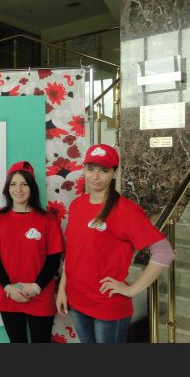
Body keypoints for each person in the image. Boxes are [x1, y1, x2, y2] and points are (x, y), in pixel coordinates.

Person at [56, 144, 175, 343]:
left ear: (114, 173)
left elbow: (164, 252)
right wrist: (62, 290)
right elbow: (73, 253)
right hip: (76, 301)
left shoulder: (125, 210)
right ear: (84, 169)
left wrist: (131, 289)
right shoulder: (77, 205)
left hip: (107, 306)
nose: (95, 176)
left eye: (103, 170)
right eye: (90, 169)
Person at [0, 161, 64, 343]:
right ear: (7, 188)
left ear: (32, 187)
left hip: (41, 294)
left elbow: (53, 260)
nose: (18, 189)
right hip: (9, 294)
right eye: (13, 184)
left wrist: (36, 287)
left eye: (24, 184)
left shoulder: (48, 220)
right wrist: (8, 287)